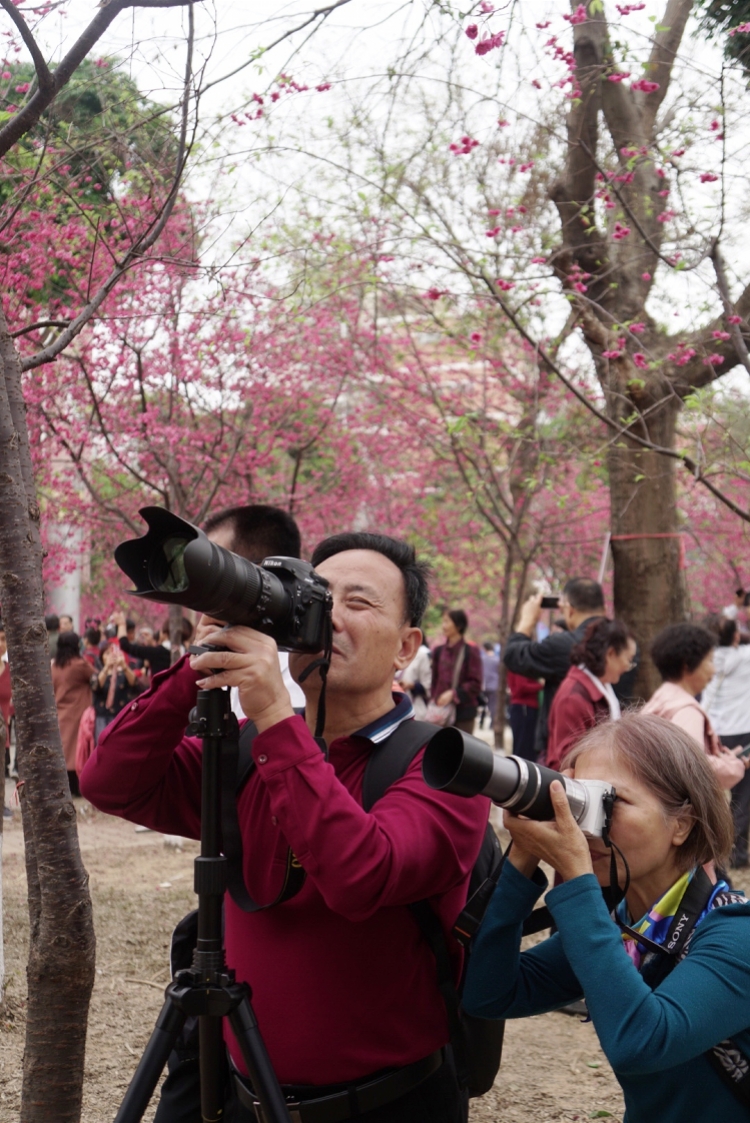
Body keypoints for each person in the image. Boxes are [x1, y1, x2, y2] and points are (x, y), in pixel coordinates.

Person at [81, 531, 489, 1123]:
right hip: (242, 1096)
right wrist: (197, 667)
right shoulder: (252, 750)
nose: (331, 619)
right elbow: (110, 783)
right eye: (318, 598)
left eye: (359, 603)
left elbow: (360, 874)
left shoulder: (446, 767)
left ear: (407, 647)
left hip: (389, 1104)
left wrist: (274, 713)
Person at [463, 713, 750, 1123]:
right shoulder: (628, 930)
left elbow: (641, 1041)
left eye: (610, 802)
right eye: (581, 801)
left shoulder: (737, 936)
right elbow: (489, 994)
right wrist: (523, 856)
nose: (590, 826)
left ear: (681, 825)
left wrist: (577, 879)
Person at [203, 504, 306, 710]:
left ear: (260, 575)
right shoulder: (212, 661)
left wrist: (271, 711)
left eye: (214, 570)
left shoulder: (303, 675)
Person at [503, 578, 606, 761]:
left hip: (567, 750)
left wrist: (527, 620)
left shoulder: (566, 645)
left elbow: (514, 656)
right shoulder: (624, 644)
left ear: (569, 609)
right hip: (609, 746)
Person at [642, 623, 746, 791]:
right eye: (710, 661)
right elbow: (693, 768)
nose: (713, 671)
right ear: (687, 665)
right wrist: (735, 766)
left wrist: (725, 760)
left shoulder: (662, 696)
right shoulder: (686, 711)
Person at [546, 618, 636, 772]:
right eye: (628, 660)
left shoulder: (601, 687)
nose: (628, 667)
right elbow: (565, 761)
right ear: (611, 654)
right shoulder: (573, 698)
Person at [701, 617, 750, 867]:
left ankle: (713, 846)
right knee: (742, 795)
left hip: (713, 730)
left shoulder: (706, 659)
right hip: (742, 730)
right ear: (735, 637)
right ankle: (737, 852)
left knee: (712, 793)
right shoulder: (744, 657)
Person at [51, 631, 94, 797]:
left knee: (63, 752)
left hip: (60, 712)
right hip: (77, 713)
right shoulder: (79, 665)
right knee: (77, 753)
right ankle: (77, 788)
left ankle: (63, 787)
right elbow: (95, 676)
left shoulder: (54, 665)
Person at [430, 610, 483, 734]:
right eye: (443, 622)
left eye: (447, 622)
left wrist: (453, 694)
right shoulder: (438, 651)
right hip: (440, 713)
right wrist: (434, 699)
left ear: (459, 625)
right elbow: (434, 681)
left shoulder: (470, 651)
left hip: (463, 714)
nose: (443, 626)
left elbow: (476, 683)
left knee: (461, 751)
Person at [91, 639, 140, 744]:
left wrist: (123, 666)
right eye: (107, 653)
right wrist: (107, 667)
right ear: (102, 657)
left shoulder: (124, 673)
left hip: (121, 717)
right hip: (103, 718)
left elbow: (135, 684)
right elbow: (95, 686)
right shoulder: (98, 674)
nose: (111, 656)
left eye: (114, 653)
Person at [507, 670, 540, 762]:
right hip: (524, 708)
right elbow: (521, 687)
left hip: (524, 708)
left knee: (524, 746)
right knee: (523, 747)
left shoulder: (518, 664)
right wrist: (541, 685)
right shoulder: (520, 666)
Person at [399, 630, 432, 719]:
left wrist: (411, 685)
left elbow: (427, 686)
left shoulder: (421, 655)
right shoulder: (392, 652)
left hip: (414, 711)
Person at [479, 642, 500, 729]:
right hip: (495, 685)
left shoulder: (482, 659)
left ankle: (482, 723)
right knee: (493, 705)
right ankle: (492, 724)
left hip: (483, 686)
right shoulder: (497, 659)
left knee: (483, 705)